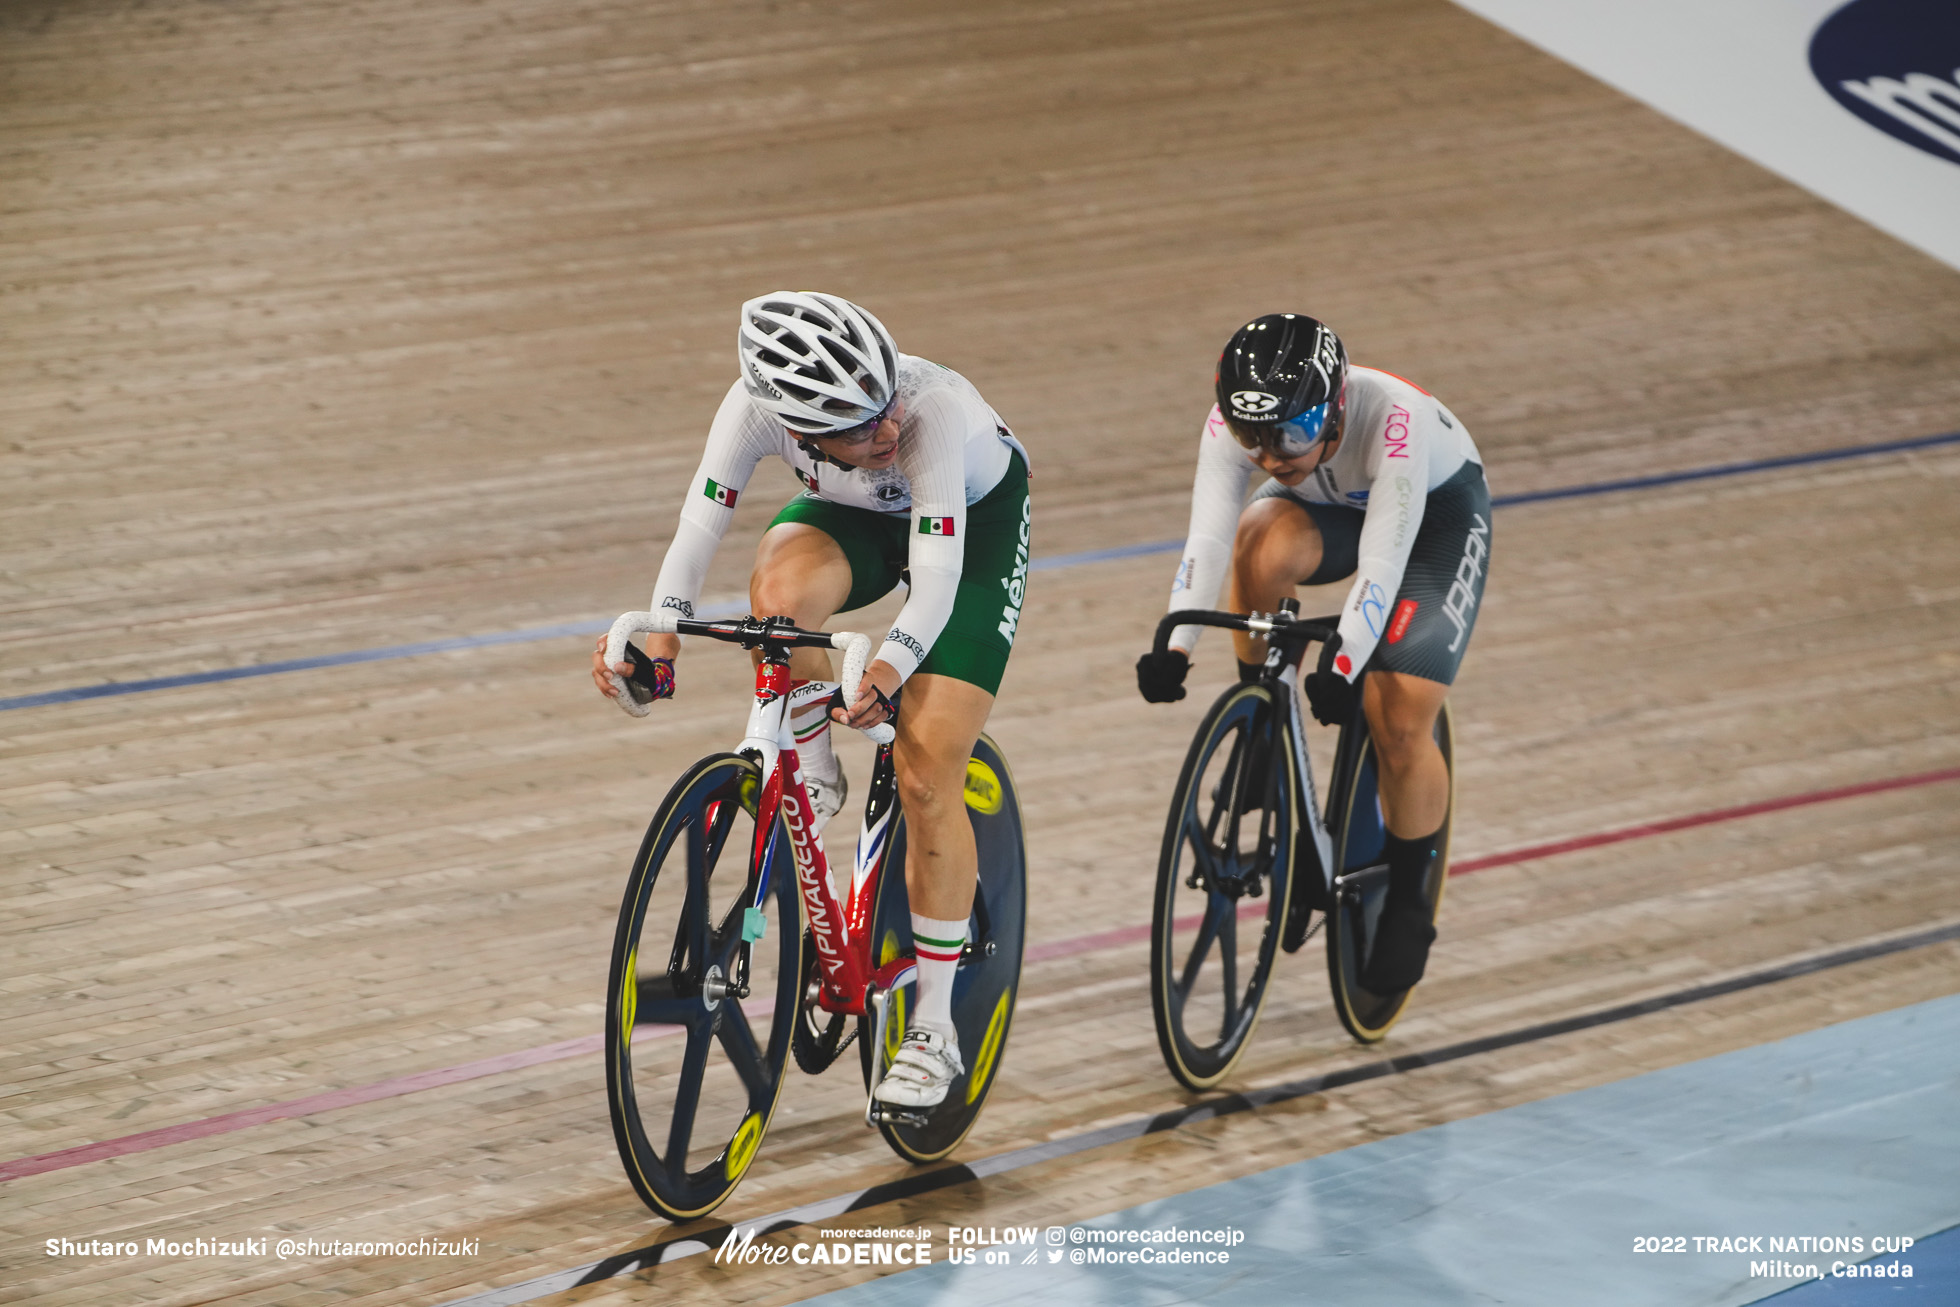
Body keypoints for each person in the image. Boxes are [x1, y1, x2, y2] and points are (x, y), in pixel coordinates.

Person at [591, 291, 1031, 1110]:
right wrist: (662, 637)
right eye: (861, 428)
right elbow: (699, 529)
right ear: (795, 427)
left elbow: (931, 590)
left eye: (884, 402)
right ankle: (810, 764)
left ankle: (933, 1028)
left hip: (970, 530)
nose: (887, 430)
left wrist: (890, 672)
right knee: (778, 596)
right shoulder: (752, 409)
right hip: (855, 513)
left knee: (928, 770)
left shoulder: (926, 420)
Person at [1136, 313, 1490, 992]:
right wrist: (1176, 644)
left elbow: (1383, 566)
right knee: (1256, 540)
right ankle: (1266, 721)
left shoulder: (1396, 421)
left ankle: (1412, 898)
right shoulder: (1238, 429)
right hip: (1340, 509)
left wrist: (1344, 660)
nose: (1272, 457)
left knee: (1399, 715)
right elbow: (1206, 544)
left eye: (1292, 434)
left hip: (1433, 523)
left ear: (1334, 411)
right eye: (1253, 439)